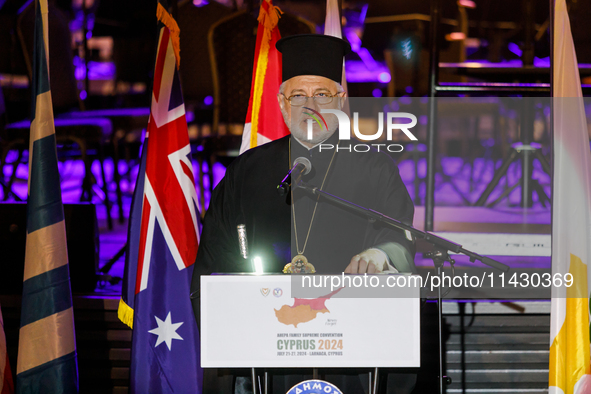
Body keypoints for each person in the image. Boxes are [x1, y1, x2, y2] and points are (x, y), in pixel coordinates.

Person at [191, 34, 416, 394]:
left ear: (341, 100)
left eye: (322, 94)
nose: (310, 105)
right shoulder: (247, 171)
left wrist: (380, 254)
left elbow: (399, 234)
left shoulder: (374, 166)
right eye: (298, 95)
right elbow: (215, 257)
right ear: (282, 103)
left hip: (351, 344)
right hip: (264, 347)